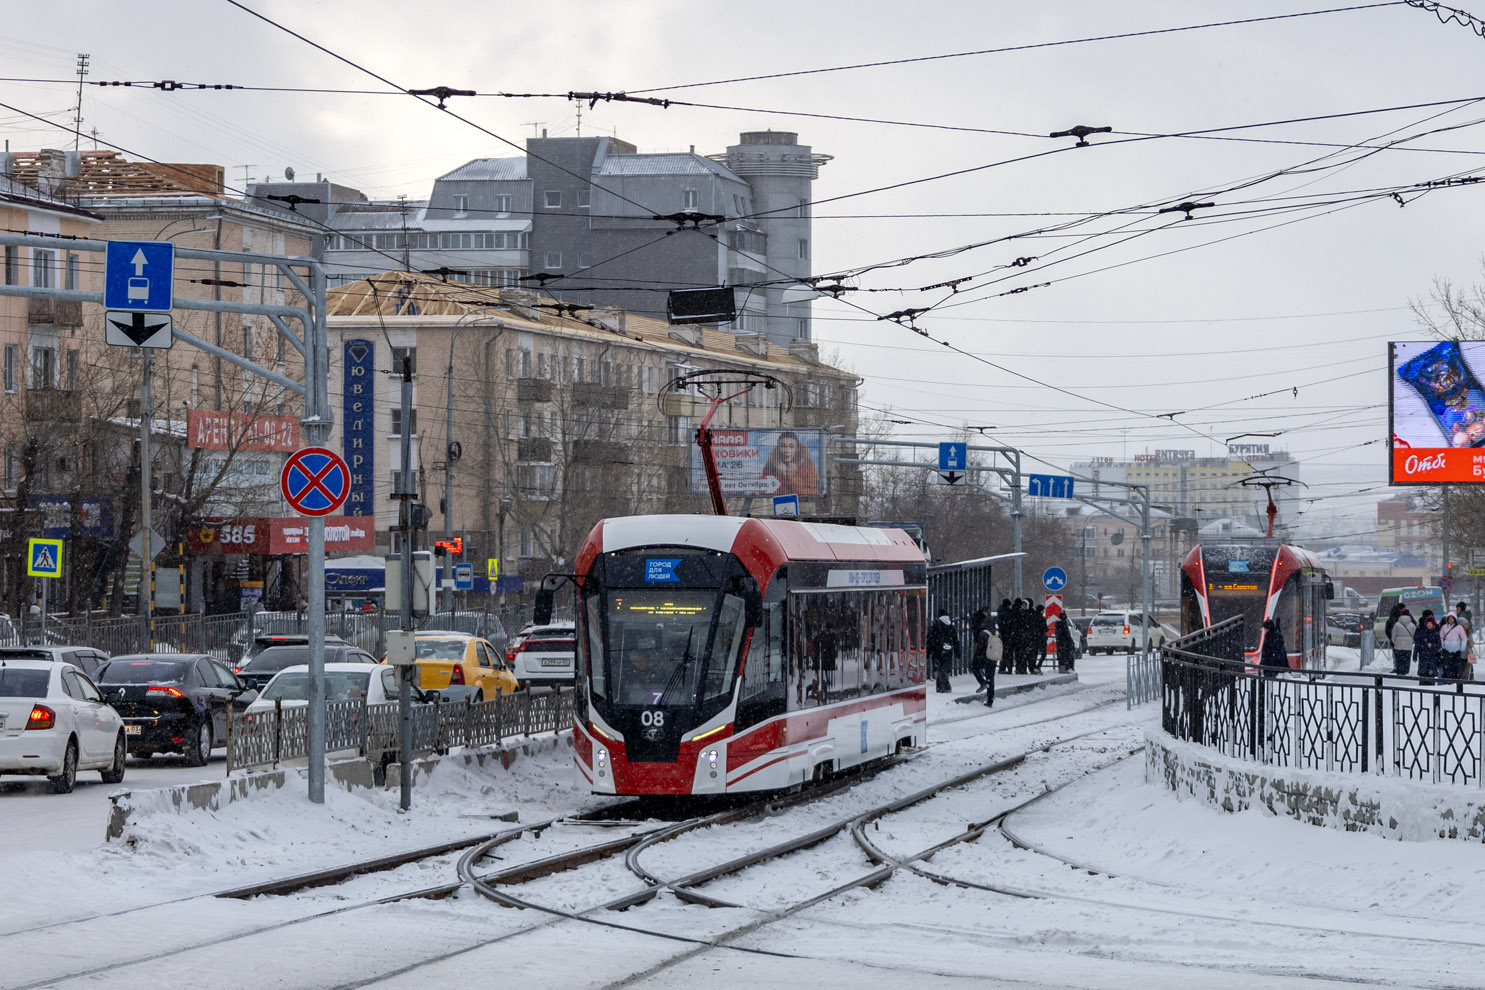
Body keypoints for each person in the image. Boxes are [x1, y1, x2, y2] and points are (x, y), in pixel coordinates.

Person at [762, 432, 819, 497]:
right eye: (783, 446)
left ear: (797, 449)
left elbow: (813, 492)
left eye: (791, 446)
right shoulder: (769, 466)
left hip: (800, 505)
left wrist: (792, 478)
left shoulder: (808, 466)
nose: (787, 450)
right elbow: (763, 491)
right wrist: (779, 476)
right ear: (778, 448)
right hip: (776, 505)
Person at [927, 608, 958, 693]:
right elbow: (955, 640)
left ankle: (943, 686)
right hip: (948, 650)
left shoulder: (936, 625)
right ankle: (943, 686)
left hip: (937, 650)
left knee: (938, 667)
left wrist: (928, 651)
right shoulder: (951, 626)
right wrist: (957, 653)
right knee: (944, 667)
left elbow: (930, 638)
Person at [1388, 604, 1417, 677]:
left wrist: (1395, 642)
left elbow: (1393, 635)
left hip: (1398, 645)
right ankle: (1405, 671)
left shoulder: (1397, 624)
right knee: (1406, 659)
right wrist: (1411, 641)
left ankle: (1399, 670)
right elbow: (1414, 635)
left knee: (1399, 658)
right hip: (1408, 645)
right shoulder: (1412, 625)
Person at [1414, 611, 1442, 684]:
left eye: (1431, 623)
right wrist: (1415, 656)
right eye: (1428, 623)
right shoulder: (1421, 632)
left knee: (1431, 675)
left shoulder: (1436, 633)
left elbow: (1439, 645)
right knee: (1423, 674)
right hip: (1423, 656)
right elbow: (1417, 644)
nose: (1429, 625)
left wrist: (1432, 645)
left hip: (1432, 657)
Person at [1440, 612, 1469, 681]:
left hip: (1456, 650)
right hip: (1446, 650)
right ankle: (1448, 679)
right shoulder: (1444, 627)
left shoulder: (1459, 628)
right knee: (1447, 666)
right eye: (1449, 618)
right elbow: (1441, 637)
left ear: (1455, 619)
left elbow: (1463, 638)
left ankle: (1456, 679)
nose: (1450, 620)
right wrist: (1442, 645)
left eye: (1452, 618)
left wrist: (1462, 647)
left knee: (1456, 666)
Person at [970, 609, 991, 691]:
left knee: (974, 667)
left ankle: (984, 683)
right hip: (990, 652)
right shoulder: (989, 628)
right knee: (988, 670)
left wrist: (977, 655)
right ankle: (987, 684)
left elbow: (980, 646)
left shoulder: (981, 632)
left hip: (982, 652)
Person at [996, 599, 1015, 675]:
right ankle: (1007, 668)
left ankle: (1002, 667)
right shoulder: (1006, 613)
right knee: (1008, 653)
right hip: (1007, 636)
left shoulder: (1001, 612)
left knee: (1004, 653)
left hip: (1003, 636)